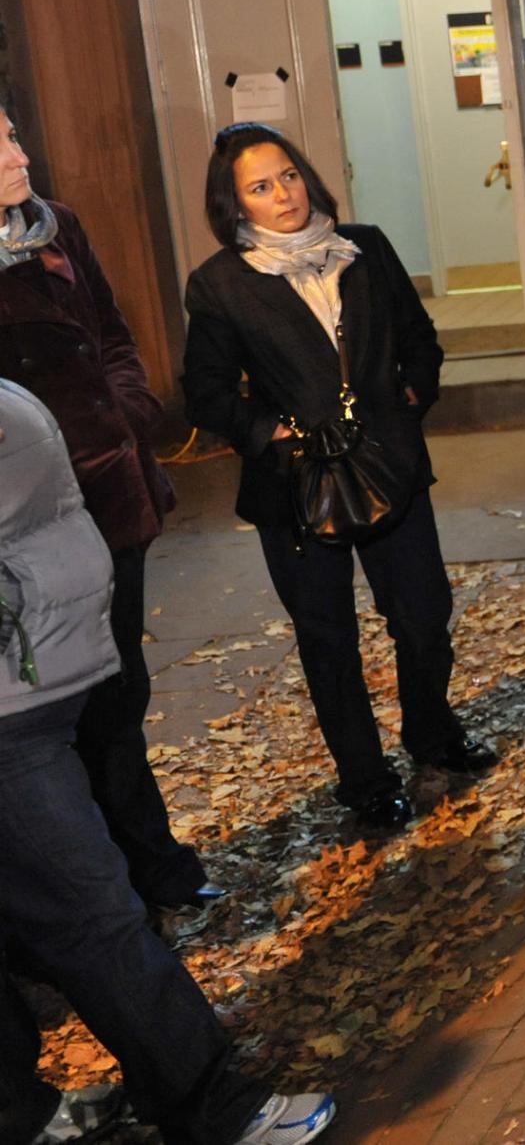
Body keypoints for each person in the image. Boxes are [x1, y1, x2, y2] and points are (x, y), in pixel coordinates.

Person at [0, 377, 334, 1145]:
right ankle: (213, 1108)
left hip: (35, 683)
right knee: (94, 914)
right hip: (9, 713)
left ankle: (19, 1112)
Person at [180, 125, 495, 833]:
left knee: (422, 615)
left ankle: (433, 736)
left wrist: (414, 394)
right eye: (260, 187)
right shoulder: (221, 284)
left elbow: (420, 339)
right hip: (295, 487)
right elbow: (206, 394)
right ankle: (364, 781)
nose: (283, 195)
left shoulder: (366, 247)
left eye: (288, 175)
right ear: (235, 207)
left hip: (389, 466)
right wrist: (274, 433)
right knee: (329, 640)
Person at [0, 104, 216, 922]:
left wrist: (127, 413)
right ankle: (95, 898)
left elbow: (114, 334)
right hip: (22, 529)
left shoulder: (58, 229)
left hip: (109, 500)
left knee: (119, 691)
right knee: (56, 714)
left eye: (16, 133)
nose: (21, 151)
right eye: (3, 143)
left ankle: (153, 868)